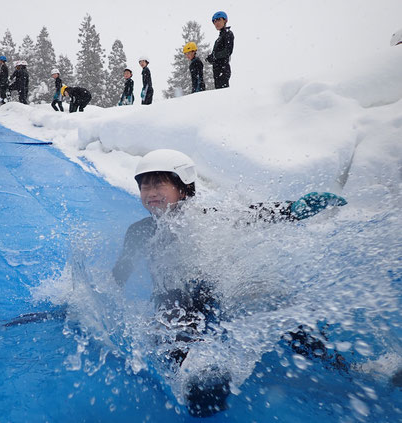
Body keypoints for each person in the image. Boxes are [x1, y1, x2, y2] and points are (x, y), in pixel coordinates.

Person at [113, 149, 348, 416]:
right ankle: (197, 383)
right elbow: (119, 274)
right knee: (172, 333)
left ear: (183, 188)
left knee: (278, 306)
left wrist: (292, 209)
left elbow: (252, 214)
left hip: (212, 292)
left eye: (159, 183)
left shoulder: (205, 217)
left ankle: (344, 366)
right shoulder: (139, 232)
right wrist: (84, 301)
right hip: (173, 302)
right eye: (145, 185)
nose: (151, 192)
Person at [206, 11, 234, 89]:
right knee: (219, 92)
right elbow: (218, 54)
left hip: (223, 69)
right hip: (218, 70)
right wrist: (211, 58)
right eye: (214, 21)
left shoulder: (228, 34)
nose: (216, 23)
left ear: (225, 20)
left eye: (218, 20)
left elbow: (228, 51)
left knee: (223, 94)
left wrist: (215, 56)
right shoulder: (219, 37)